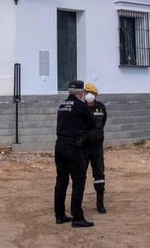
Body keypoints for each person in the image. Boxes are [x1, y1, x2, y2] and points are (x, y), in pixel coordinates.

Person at [55, 79, 96, 228]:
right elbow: (91, 122)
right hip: (73, 146)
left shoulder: (62, 105)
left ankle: (59, 215)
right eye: (83, 91)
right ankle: (77, 217)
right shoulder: (80, 106)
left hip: (59, 145)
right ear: (80, 92)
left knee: (61, 181)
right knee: (79, 181)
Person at [84, 83, 109, 214]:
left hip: (96, 148)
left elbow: (103, 122)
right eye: (87, 92)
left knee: (99, 174)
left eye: (92, 93)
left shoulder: (100, 107)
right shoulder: (80, 108)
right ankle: (77, 204)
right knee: (80, 175)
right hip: (83, 148)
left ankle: (100, 203)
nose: (89, 95)